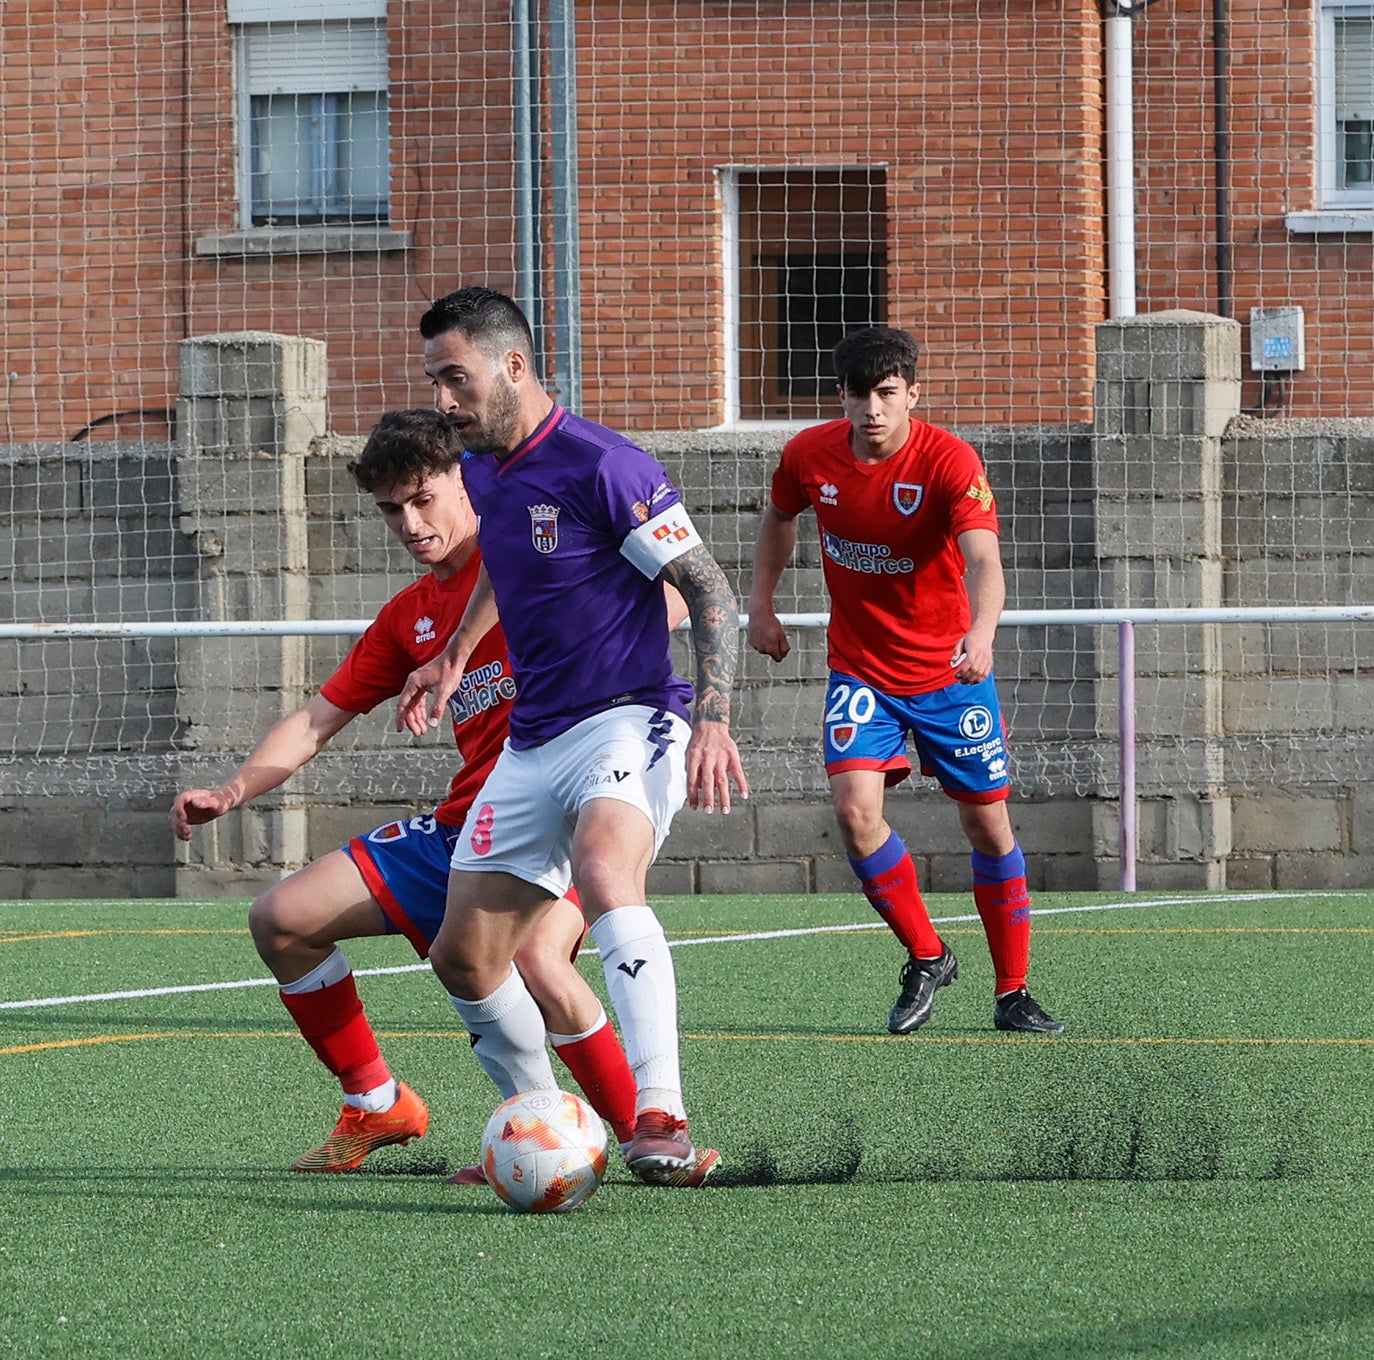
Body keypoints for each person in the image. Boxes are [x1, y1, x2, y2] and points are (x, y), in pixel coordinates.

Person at [169, 408, 718, 1185]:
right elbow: (317, 719)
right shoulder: (411, 616)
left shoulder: (544, 553)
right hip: (470, 822)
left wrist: (612, 638)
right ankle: (393, 1104)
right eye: (393, 508)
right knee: (281, 920)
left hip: (570, 806)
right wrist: (229, 792)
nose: (410, 522)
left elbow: (679, 593)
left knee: (531, 955)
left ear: (472, 483)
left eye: (423, 498)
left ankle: (650, 1137)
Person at [397, 285, 749, 1185]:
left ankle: (661, 1113)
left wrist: (712, 720)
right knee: (464, 955)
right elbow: (503, 571)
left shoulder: (606, 467)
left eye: (456, 379)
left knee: (602, 868)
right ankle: (535, 1121)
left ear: (512, 365)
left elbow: (709, 589)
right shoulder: (484, 471)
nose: (445, 401)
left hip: (633, 716)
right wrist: (452, 658)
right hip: (535, 739)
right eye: (436, 381)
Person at [746, 326, 1063, 1037]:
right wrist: (759, 606)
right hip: (861, 668)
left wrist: (979, 635)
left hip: (950, 672)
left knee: (987, 822)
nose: (873, 410)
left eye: (888, 394)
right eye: (860, 395)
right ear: (842, 397)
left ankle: (1011, 992)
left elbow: (983, 559)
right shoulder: (808, 455)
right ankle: (928, 955)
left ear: (912, 394)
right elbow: (778, 517)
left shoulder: (949, 461)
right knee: (855, 814)